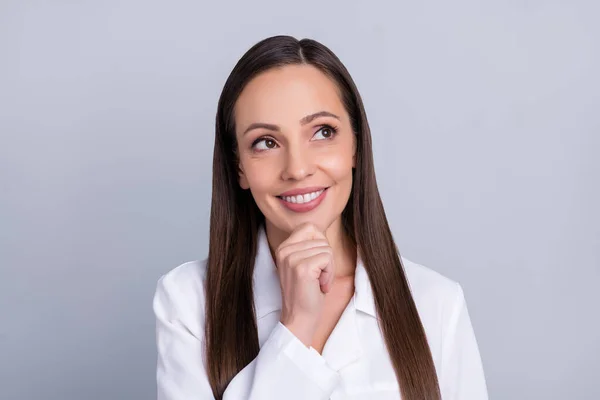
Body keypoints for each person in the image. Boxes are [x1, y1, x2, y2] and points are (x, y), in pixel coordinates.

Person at [152, 35, 488, 400]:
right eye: (266, 142)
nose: (297, 169)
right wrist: (296, 327)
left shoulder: (436, 303)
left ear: (356, 147)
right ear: (239, 169)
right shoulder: (188, 301)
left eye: (323, 132)